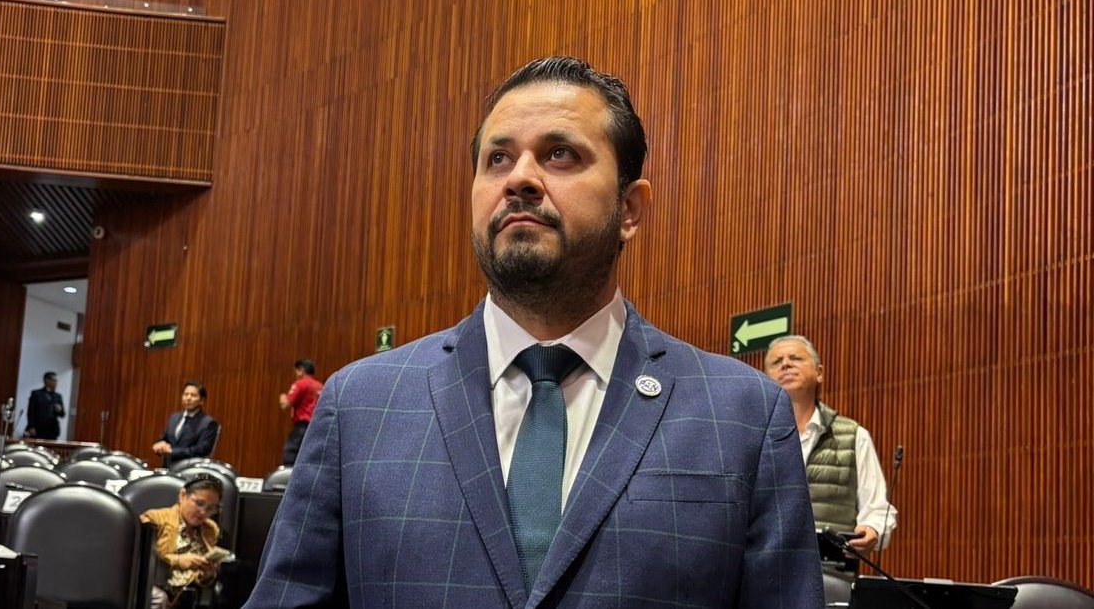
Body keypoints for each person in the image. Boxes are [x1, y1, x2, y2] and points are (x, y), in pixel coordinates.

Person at [244, 56, 822, 608]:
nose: (520, 177)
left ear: (630, 209)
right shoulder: (359, 405)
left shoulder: (744, 415)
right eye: (497, 158)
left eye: (560, 154)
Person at [763, 335, 898, 560]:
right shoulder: (754, 437)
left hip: (830, 569)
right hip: (764, 568)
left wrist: (872, 530)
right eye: (776, 361)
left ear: (819, 372)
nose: (785, 364)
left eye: (795, 358)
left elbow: (877, 508)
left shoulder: (854, 436)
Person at [140, 473, 224, 609]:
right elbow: (140, 562)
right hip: (157, 589)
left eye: (210, 508)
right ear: (182, 495)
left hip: (185, 598)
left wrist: (208, 574)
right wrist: (177, 561)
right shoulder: (154, 519)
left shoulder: (210, 529)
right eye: (199, 504)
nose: (203, 512)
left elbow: (203, 582)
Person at [153, 382, 220, 469]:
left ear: (201, 401)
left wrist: (173, 451)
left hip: (190, 470)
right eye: (186, 394)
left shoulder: (208, 423)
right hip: (167, 468)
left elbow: (202, 450)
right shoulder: (174, 418)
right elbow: (165, 439)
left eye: (193, 395)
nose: (188, 398)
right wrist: (159, 445)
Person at [278, 359, 323, 465]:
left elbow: (285, 404)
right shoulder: (320, 386)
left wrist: (282, 396)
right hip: (317, 426)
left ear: (301, 370)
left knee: (291, 452)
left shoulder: (300, 384)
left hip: (302, 426)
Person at [24, 371, 64, 440]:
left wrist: (59, 410)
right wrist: (31, 426)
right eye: (54, 380)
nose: (56, 383)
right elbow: (31, 411)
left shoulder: (58, 396)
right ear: (46, 380)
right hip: (38, 429)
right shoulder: (36, 394)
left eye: (56, 381)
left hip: (52, 430)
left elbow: (62, 414)